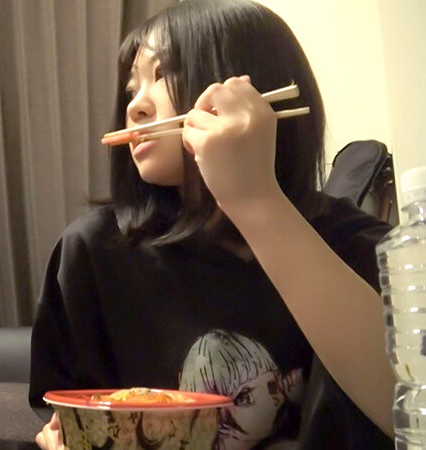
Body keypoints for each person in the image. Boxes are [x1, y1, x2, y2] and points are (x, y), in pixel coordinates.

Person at [29, 1, 394, 449]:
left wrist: (256, 200)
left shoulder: (358, 245)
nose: (135, 106)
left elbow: (406, 406)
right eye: (131, 88)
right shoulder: (93, 251)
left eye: (164, 74)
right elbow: (67, 418)